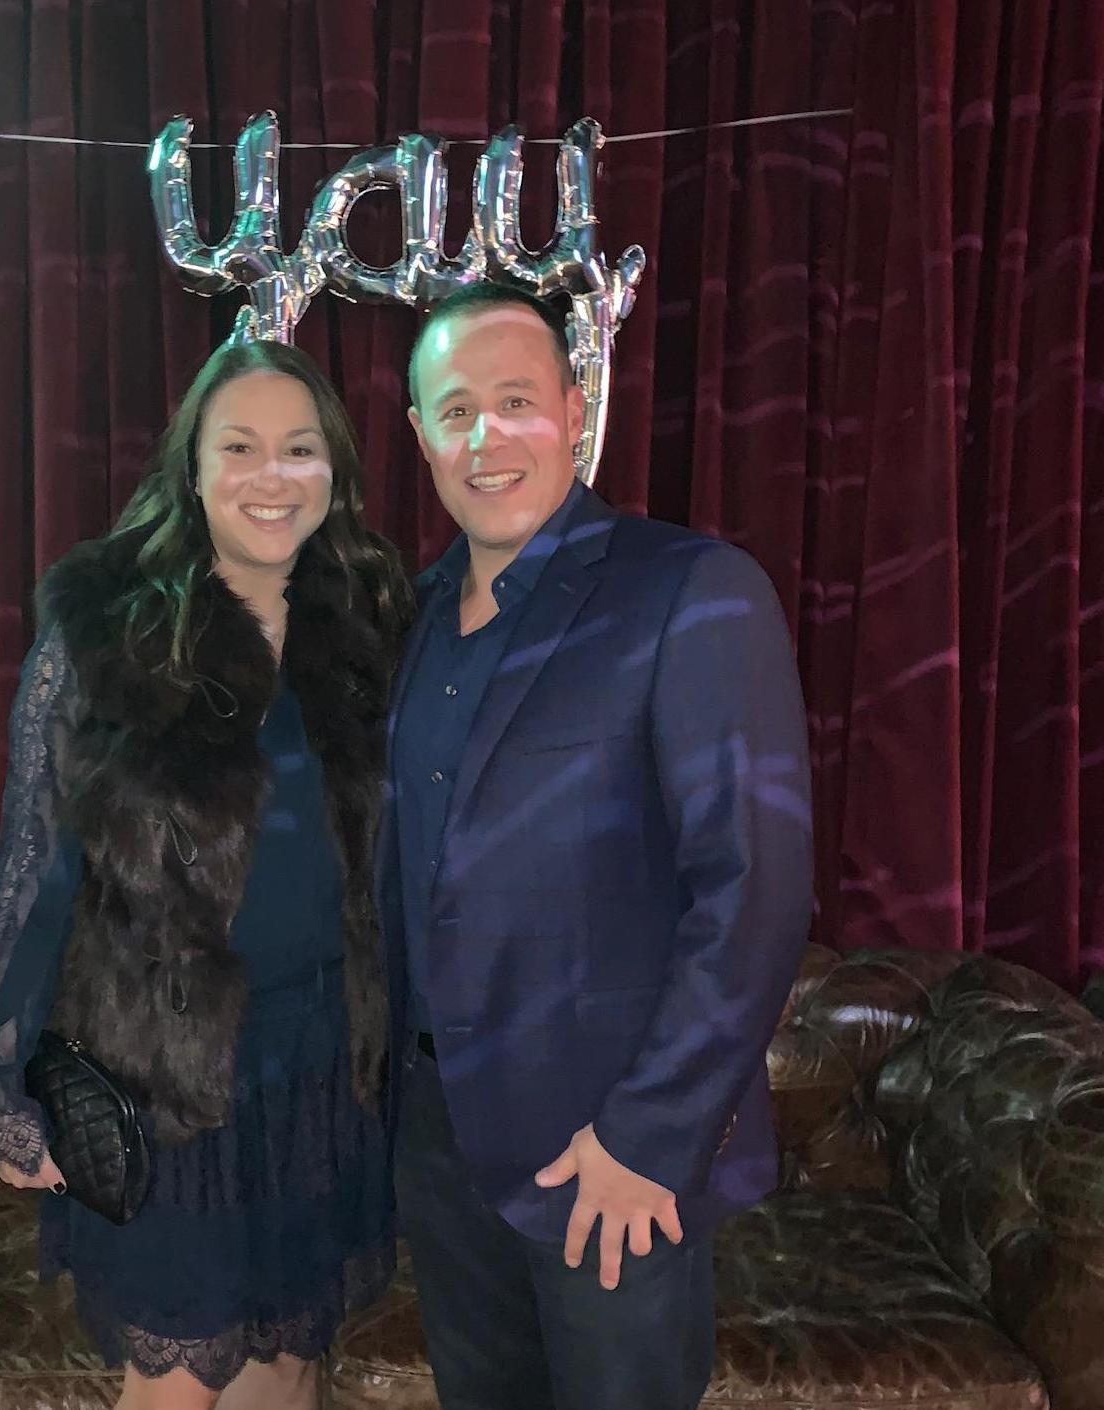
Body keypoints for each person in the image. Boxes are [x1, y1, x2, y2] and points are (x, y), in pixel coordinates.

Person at [0, 339, 412, 1410]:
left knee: (288, 1364)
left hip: (325, 1063)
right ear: (191, 467)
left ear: (334, 470)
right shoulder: (110, 627)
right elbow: (34, 864)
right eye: (238, 447)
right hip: (164, 1074)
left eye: (299, 448)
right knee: (176, 1386)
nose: (270, 475)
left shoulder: (370, 624)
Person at [384, 283, 814, 1410]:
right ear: (420, 434)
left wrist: (649, 1138)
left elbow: (757, 891)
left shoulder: (688, 590)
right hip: (440, 1148)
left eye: (517, 400)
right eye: (456, 410)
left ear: (575, 412)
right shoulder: (408, 619)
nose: (487, 436)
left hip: (606, 1155)